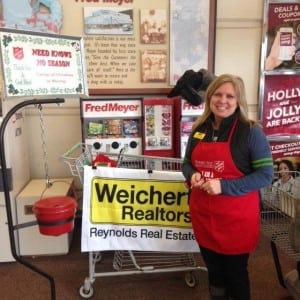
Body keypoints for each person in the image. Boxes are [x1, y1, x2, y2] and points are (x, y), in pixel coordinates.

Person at [181, 74, 274, 300]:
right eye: (218, 94)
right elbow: (186, 164)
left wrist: (223, 186)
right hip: (204, 215)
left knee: (236, 274)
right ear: (210, 96)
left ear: (238, 100)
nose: (223, 100)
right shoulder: (199, 128)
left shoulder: (251, 132)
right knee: (214, 272)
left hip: (236, 220)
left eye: (230, 96)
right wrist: (192, 175)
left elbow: (265, 175)